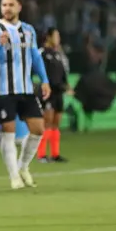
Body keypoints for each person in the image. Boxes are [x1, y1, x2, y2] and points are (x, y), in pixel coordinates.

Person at [0, 0, 50, 189]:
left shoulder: (28, 30)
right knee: (8, 133)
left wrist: (44, 80)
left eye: (11, 5)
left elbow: (35, 57)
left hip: (26, 89)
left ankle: (23, 167)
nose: (7, 8)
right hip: (4, 91)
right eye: (4, 5)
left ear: (19, 7)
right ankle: (14, 177)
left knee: (38, 129)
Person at [37, 27, 69, 163]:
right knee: (47, 122)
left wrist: (66, 85)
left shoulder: (58, 54)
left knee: (56, 123)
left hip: (59, 92)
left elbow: (62, 73)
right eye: (56, 36)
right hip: (48, 92)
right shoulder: (42, 53)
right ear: (48, 37)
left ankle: (55, 154)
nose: (58, 39)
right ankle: (41, 155)